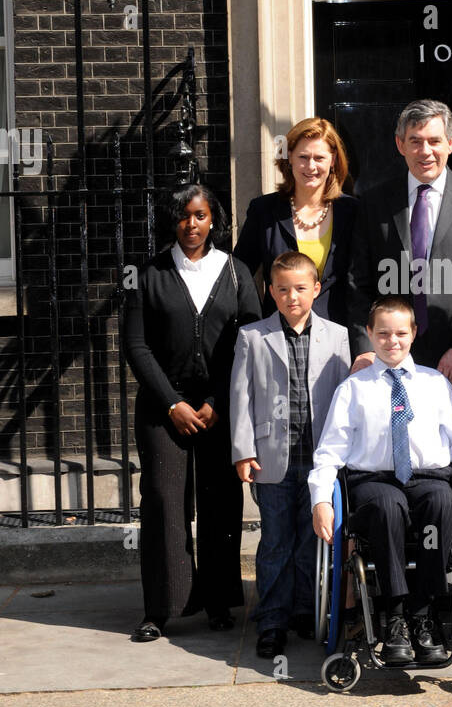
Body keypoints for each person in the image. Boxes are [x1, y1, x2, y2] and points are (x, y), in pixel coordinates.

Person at [309, 296, 452, 666]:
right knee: (385, 507)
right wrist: (321, 500)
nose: (392, 341)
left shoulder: (434, 383)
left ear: (413, 334)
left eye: (400, 334)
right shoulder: (353, 389)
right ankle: (394, 616)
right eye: (383, 334)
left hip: (428, 477)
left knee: (441, 502)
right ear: (369, 335)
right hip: (373, 479)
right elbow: (329, 452)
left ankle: (424, 616)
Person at [125, 183, 261, 642]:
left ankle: (220, 601)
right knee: (164, 500)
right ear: (173, 220)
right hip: (163, 406)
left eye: (200, 215)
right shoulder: (149, 274)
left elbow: (249, 345)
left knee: (221, 500)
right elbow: (136, 346)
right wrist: (172, 402)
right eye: (183, 216)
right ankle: (161, 607)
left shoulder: (237, 272)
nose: (191, 225)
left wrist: (218, 403)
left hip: (220, 405)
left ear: (212, 220)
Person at [345, 99, 452, 432]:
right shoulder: (374, 202)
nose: (425, 151)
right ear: (400, 144)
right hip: (390, 354)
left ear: (451, 142)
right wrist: (367, 348)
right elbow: (358, 282)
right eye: (415, 141)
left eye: (434, 140)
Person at [230, 251, 351, 658]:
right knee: (276, 541)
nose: (291, 296)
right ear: (270, 291)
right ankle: (272, 619)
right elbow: (241, 397)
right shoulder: (253, 336)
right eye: (282, 289)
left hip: (319, 460)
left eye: (300, 288)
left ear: (316, 289)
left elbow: (344, 399)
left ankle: (305, 610)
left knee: (310, 542)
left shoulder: (337, 336)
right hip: (271, 459)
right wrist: (243, 451)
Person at [233, 116, 357, 325]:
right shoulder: (264, 211)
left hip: (338, 337)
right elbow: (240, 275)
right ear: (289, 157)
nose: (310, 166)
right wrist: (256, 322)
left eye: (319, 158)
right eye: (303, 157)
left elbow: (362, 281)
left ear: (333, 160)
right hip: (277, 335)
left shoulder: (352, 211)